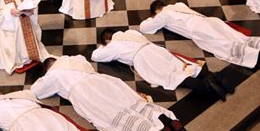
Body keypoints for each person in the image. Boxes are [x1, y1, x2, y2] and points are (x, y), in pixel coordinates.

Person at [32, 55, 190, 131]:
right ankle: (171, 123)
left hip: (86, 94)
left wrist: (45, 77)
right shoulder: (74, 59)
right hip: (104, 82)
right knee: (133, 104)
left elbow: (36, 91)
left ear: (47, 69)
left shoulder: (52, 75)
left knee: (116, 117)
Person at [139, 0, 260, 74]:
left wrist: (154, 17)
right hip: (211, 21)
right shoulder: (178, 5)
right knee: (240, 39)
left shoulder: (163, 14)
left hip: (200, 30)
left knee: (227, 48)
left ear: (157, 11)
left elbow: (144, 27)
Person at [92, 29, 231, 102]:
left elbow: (95, 56)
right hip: (156, 50)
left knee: (172, 77)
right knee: (182, 66)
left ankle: (208, 88)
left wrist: (104, 46)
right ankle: (216, 77)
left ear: (106, 40)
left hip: (145, 58)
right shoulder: (130, 32)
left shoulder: (113, 45)